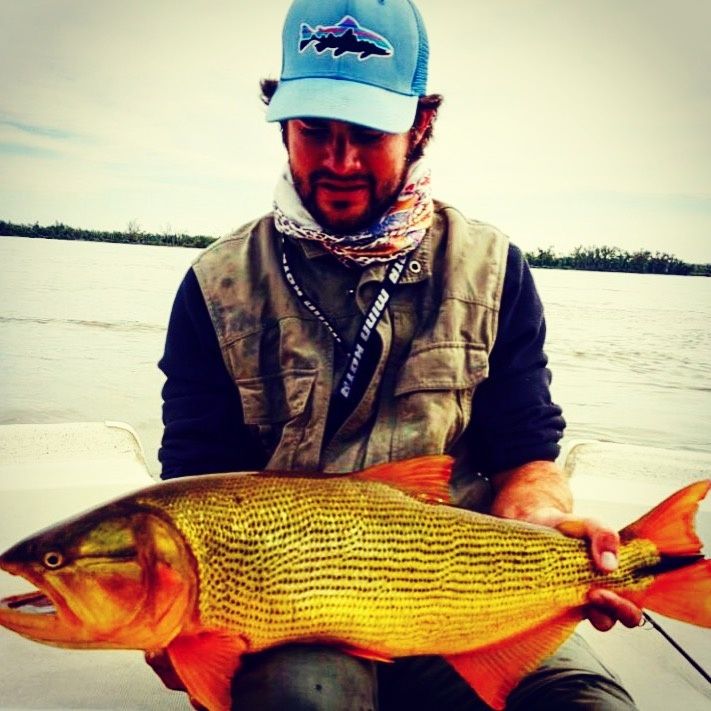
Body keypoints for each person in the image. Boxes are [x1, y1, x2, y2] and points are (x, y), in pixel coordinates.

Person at [154, 0, 642, 708]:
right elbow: (195, 484)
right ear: (279, 122)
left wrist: (541, 524)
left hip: (466, 595)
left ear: (420, 124)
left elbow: (523, 451)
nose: (339, 160)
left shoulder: (494, 268)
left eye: (367, 131)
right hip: (289, 620)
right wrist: (175, 621)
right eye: (313, 130)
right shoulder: (213, 287)